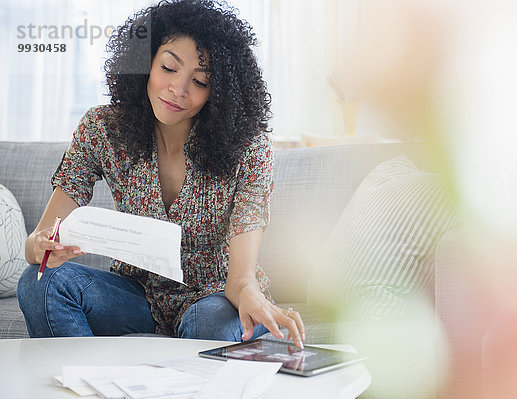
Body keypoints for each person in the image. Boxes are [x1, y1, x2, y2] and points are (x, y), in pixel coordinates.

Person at [17, 0, 304, 348]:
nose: (178, 90)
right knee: (39, 282)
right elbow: (38, 243)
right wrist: (41, 248)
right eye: (168, 67)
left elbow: (240, 280)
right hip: (135, 296)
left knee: (211, 324)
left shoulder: (249, 148)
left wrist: (252, 296)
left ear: (220, 93)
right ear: (145, 62)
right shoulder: (102, 129)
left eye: (199, 81)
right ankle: (88, 383)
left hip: (212, 297)